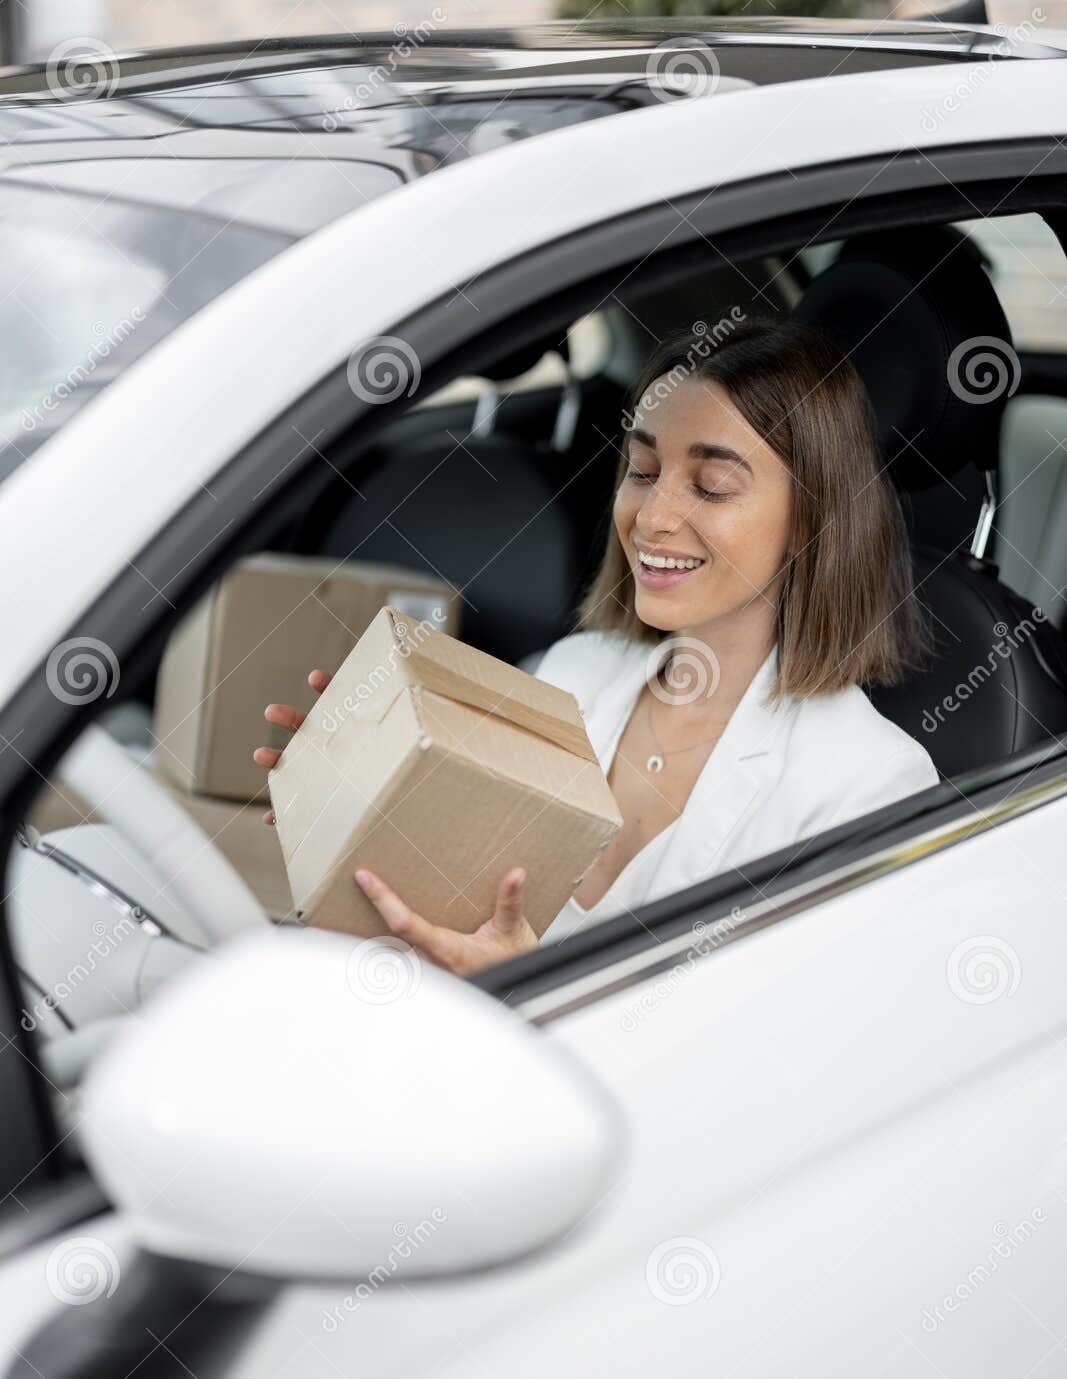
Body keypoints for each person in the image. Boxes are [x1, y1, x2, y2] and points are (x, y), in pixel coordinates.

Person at [254, 316, 939, 977]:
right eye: (642, 471)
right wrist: (358, 806)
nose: (652, 516)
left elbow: (777, 1063)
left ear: (810, 520)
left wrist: (532, 987)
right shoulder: (572, 674)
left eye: (711, 486)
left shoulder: (866, 787)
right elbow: (463, 893)